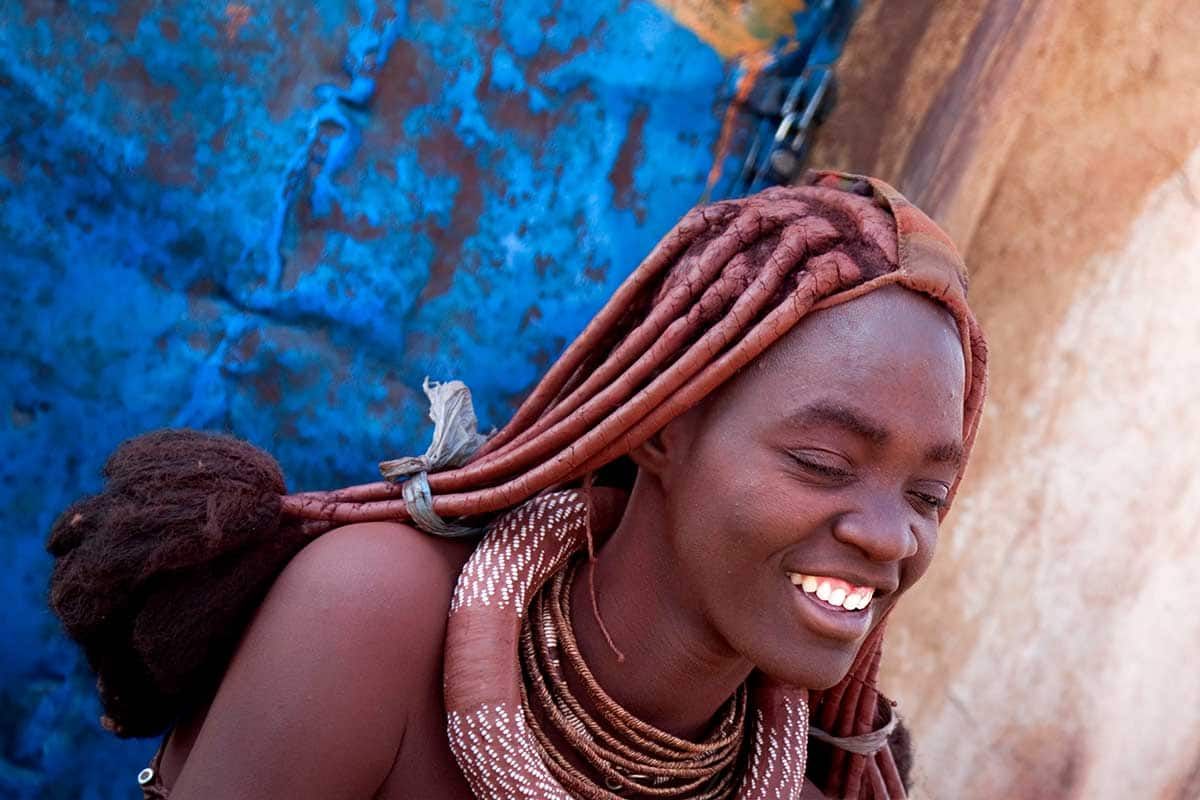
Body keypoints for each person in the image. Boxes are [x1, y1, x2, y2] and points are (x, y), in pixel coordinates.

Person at [47, 171, 987, 800]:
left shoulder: (797, 782)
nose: (891, 537)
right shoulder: (372, 620)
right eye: (822, 464)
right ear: (662, 426)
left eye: (927, 497)